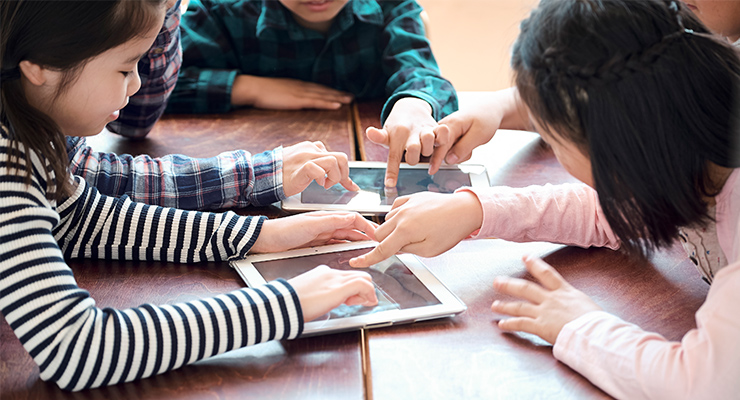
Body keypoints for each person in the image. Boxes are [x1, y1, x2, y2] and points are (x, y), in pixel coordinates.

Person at [350, 0, 740, 398]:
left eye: (553, 141)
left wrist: (579, 324)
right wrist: (476, 209)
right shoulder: (684, 142)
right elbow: (620, 209)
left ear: (617, 151)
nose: (550, 145)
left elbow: (702, 386)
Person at [0, 0, 379, 391]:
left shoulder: (26, 129)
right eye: (125, 68)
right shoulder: (8, 167)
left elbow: (76, 218)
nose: (136, 85)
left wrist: (257, 235)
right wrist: (286, 304)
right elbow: (78, 349)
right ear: (39, 66)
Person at [167, 0, 458, 188]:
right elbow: (151, 88)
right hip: (259, 170)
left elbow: (421, 74)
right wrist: (250, 88)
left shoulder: (392, 6)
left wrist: (415, 103)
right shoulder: (219, 9)